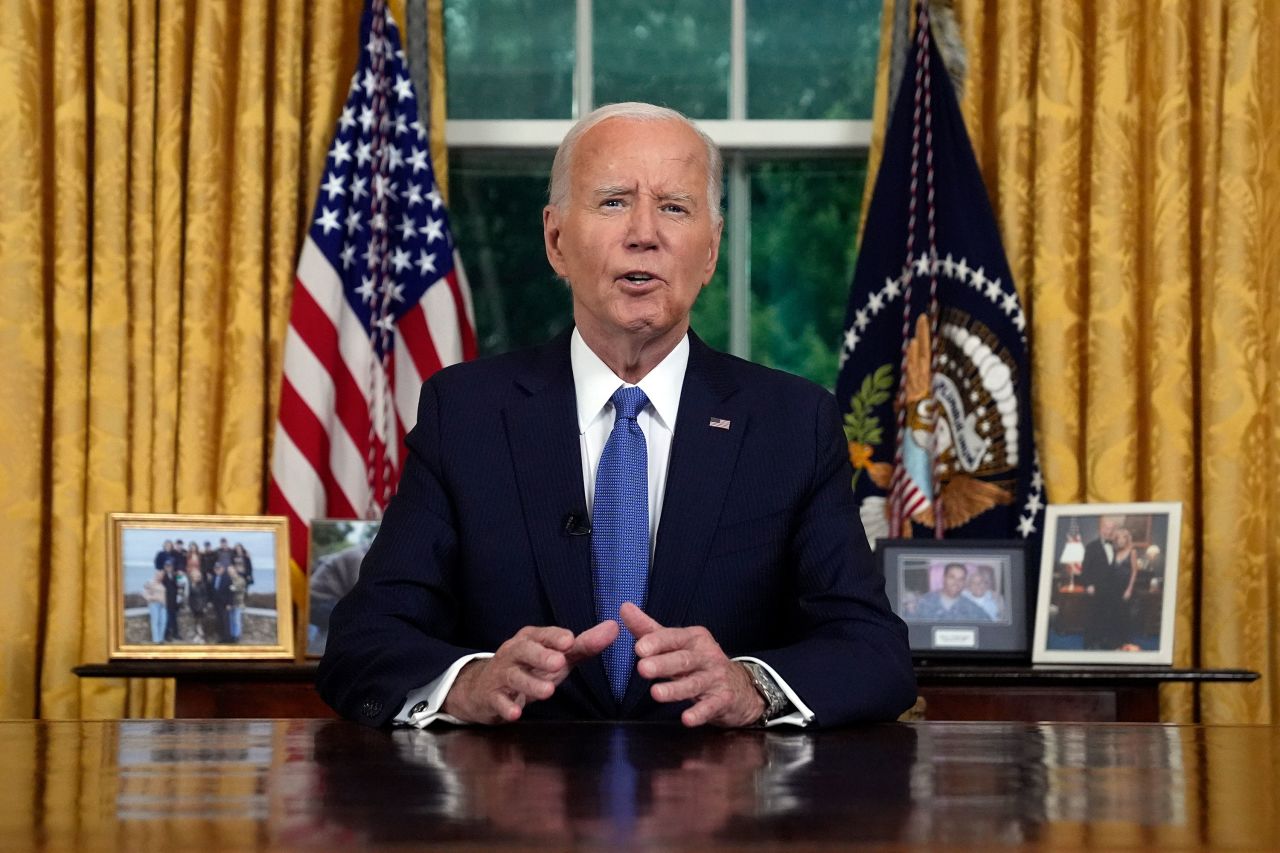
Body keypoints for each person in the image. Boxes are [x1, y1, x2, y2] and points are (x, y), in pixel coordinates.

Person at [317, 102, 915, 730]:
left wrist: (751, 686)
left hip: (722, 810)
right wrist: (469, 681)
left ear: (710, 252)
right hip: (516, 809)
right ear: (556, 241)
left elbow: (874, 652)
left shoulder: (794, 423)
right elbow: (364, 641)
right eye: (612, 202)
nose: (644, 233)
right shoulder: (464, 414)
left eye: (675, 207)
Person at [1085, 526, 1140, 650]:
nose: (1120, 540)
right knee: (1113, 615)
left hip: (1125, 588)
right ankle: (1113, 641)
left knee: (1123, 615)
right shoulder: (1116, 551)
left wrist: (1129, 589)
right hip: (1113, 587)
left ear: (1127, 539)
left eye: (1123, 538)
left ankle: (1123, 642)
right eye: (1118, 538)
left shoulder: (1132, 551)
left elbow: (1134, 572)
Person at [914, 563, 991, 621]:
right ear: (944, 578)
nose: (956, 582)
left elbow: (990, 629)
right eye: (952, 577)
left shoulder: (972, 609)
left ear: (964, 582)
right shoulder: (924, 602)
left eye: (961, 579)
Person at [142, 566, 169, 644]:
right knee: (155, 621)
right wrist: (149, 598)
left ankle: (161, 639)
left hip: (163, 605)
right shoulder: (150, 582)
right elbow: (143, 591)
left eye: (161, 575)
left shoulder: (162, 584)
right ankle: (156, 640)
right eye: (158, 575)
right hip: (154, 604)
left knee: (163, 621)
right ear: (155, 574)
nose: (160, 576)